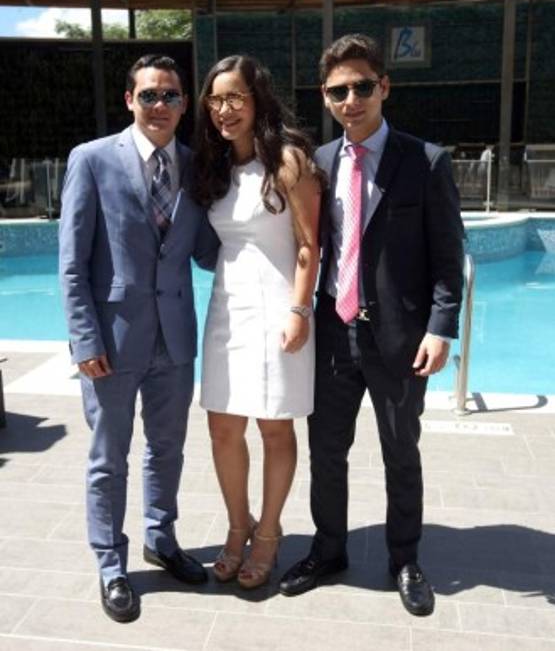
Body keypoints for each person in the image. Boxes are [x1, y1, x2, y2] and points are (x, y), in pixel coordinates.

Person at [279, 34, 464, 616]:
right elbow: (309, 246)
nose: (351, 100)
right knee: (326, 450)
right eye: (339, 91)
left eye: (362, 87)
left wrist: (441, 327)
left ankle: (404, 558)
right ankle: (328, 550)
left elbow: (448, 255)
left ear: (384, 86)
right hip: (335, 333)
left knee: (400, 451)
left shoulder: (425, 161)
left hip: (401, 339)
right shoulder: (319, 164)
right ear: (325, 96)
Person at [59, 54, 218, 623]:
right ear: (129, 100)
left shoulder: (197, 167)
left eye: (170, 95)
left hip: (175, 339)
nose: (160, 105)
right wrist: (85, 341)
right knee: (109, 458)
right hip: (112, 343)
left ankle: (161, 538)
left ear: (184, 104)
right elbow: (72, 265)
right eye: (149, 94)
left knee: (168, 449)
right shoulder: (91, 160)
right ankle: (110, 564)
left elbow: (207, 251)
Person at [193, 55, 321, 589]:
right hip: (226, 309)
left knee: (274, 426)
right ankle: (237, 525)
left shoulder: (288, 160)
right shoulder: (215, 165)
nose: (224, 110)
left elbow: (310, 245)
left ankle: (268, 533)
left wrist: (299, 310)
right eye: (215, 99)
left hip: (277, 312)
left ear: (258, 99)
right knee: (222, 426)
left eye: (235, 97)